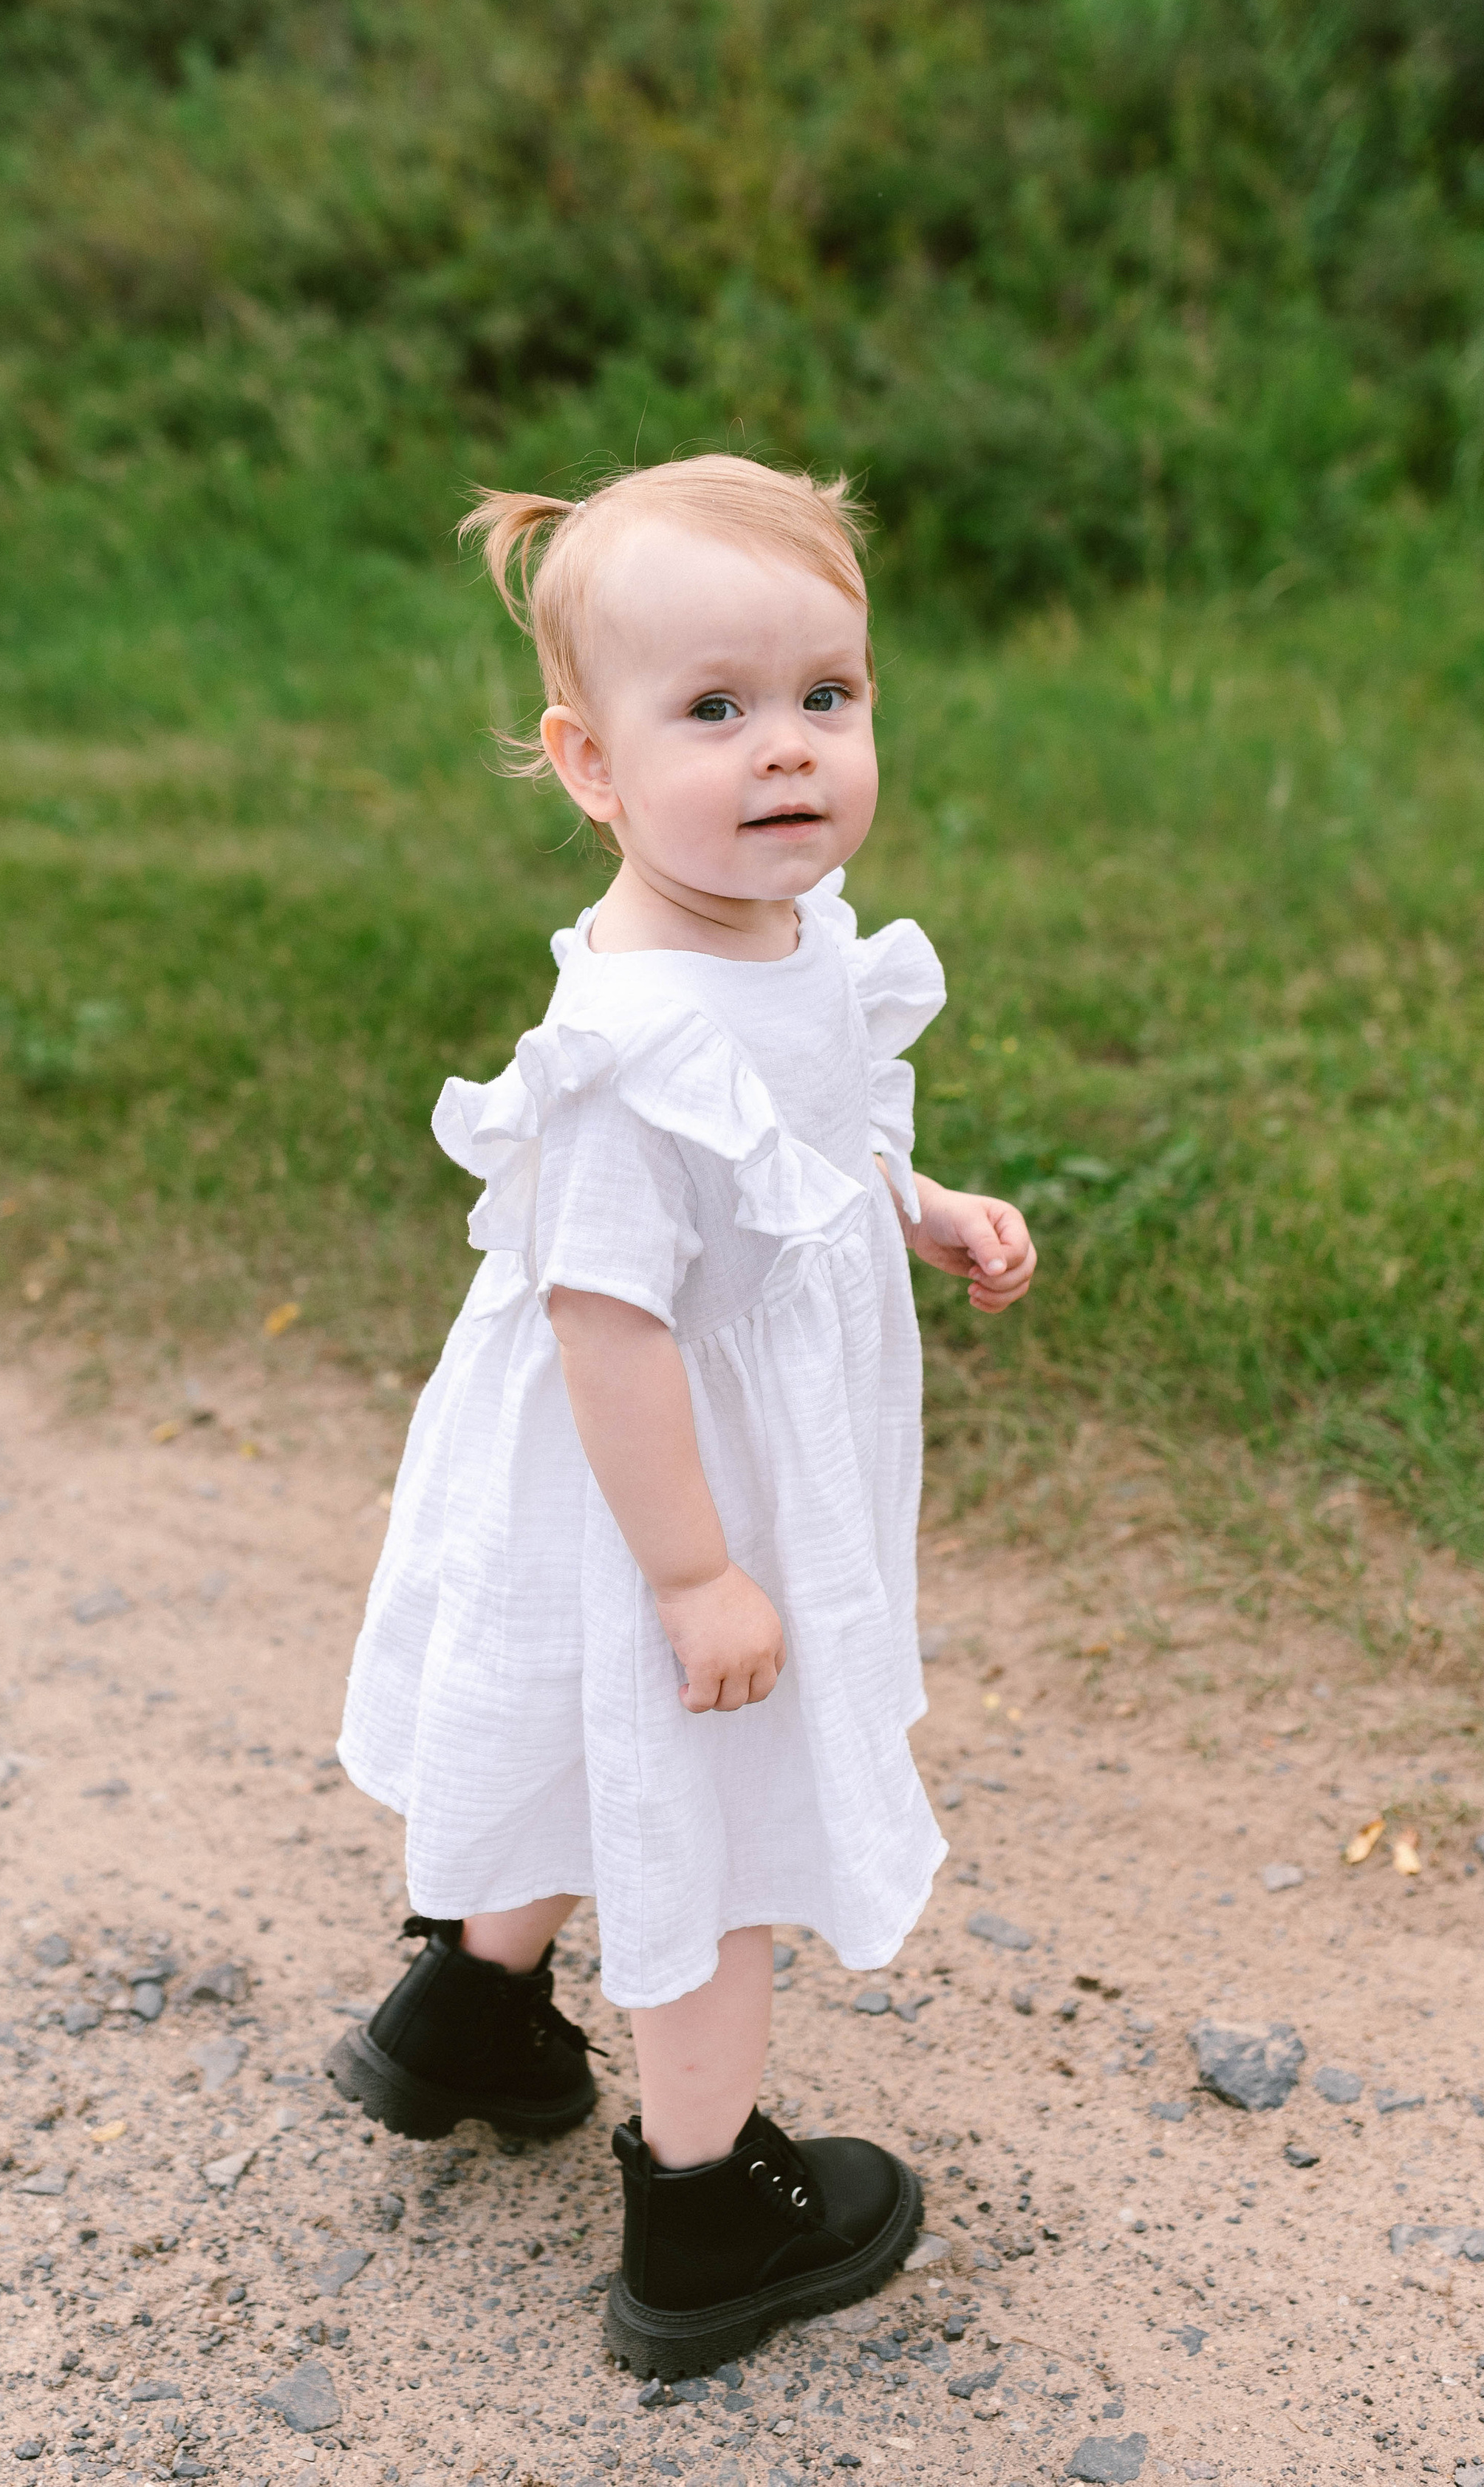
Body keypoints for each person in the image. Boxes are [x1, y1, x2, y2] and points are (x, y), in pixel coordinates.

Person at [326, 454, 1036, 2378]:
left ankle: (465, 2023)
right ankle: (706, 2213)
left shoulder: (796, 935)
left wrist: (923, 1204)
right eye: (715, 710)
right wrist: (701, 1575)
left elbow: (810, 1142)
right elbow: (610, 1330)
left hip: (694, 1471)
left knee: (585, 1739)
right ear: (591, 763)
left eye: (829, 695)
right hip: (653, 1489)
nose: (788, 749)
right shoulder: (631, 1053)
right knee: (700, 1810)